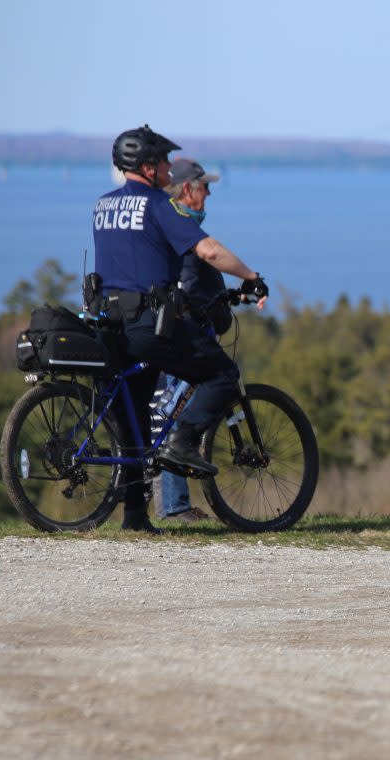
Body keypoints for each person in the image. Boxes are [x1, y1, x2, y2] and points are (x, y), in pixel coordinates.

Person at [93, 125, 268, 534]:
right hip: (146, 324)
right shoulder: (157, 205)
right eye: (165, 161)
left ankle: (135, 515)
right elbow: (207, 250)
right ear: (148, 166)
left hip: (108, 324)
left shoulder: (102, 205)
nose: (170, 168)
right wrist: (251, 275)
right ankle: (183, 442)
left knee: (134, 416)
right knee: (222, 374)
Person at [155, 158, 232, 523]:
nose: (209, 192)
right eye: (204, 186)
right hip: (183, 332)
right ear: (187, 189)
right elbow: (191, 281)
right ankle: (175, 507)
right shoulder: (182, 229)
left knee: (166, 412)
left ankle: (170, 504)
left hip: (164, 326)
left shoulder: (169, 226)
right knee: (178, 413)